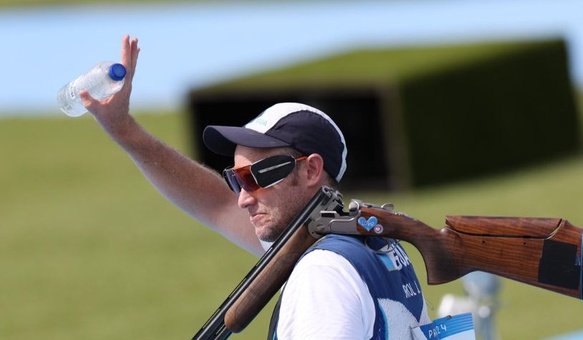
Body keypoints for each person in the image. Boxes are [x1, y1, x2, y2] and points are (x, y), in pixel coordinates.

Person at [82, 35, 432, 339]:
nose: (244, 198)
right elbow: (216, 203)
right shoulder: (367, 244)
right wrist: (124, 130)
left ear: (311, 170)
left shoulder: (322, 272)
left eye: (259, 177)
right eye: (236, 179)